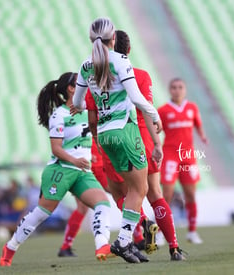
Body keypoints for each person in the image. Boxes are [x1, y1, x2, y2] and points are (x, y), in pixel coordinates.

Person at [72, 18, 166, 264]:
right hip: (125, 130)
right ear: (113, 39)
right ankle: (124, 240)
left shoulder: (85, 67)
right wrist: (155, 116)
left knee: (128, 190)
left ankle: (125, 240)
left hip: (104, 136)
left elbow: (78, 104)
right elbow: (136, 98)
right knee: (140, 189)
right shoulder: (121, 61)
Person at [0, 72, 113, 266]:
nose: (85, 84)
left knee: (103, 204)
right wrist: (75, 160)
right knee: (42, 213)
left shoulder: (88, 109)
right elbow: (56, 149)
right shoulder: (59, 115)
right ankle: (10, 247)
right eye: (80, 82)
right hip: (61, 169)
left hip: (82, 172)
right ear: (71, 89)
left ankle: (102, 246)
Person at [158, 78, 208, 244]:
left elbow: (198, 124)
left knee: (191, 195)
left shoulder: (192, 108)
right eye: (173, 87)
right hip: (170, 156)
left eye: (180, 87)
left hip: (188, 157)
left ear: (185, 90)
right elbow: (155, 129)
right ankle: (159, 233)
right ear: (169, 90)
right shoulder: (163, 110)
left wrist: (202, 135)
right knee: (166, 195)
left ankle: (192, 232)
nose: (177, 90)